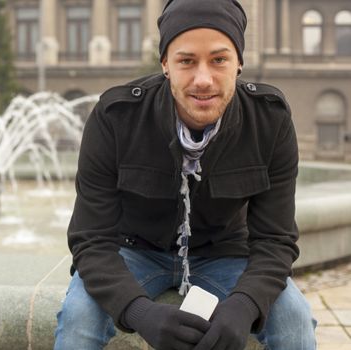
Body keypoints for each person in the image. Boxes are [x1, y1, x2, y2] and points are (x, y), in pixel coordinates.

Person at [54, 0, 317, 349]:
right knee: (78, 317)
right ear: (165, 64)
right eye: (186, 61)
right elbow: (90, 239)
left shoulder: (270, 121)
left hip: (226, 253)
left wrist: (245, 304)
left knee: (295, 319)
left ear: (239, 62)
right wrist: (139, 312)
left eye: (219, 59)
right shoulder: (116, 117)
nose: (203, 79)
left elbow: (276, 239)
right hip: (134, 251)